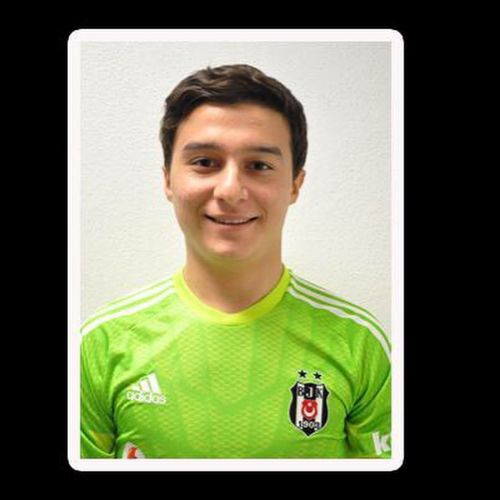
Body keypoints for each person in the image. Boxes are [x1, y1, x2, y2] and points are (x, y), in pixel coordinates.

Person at [80, 64, 391, 459]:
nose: (230, 190)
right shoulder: (100, 345)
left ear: (295, 185)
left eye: (259, 166)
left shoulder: (359, 344)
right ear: (168, 179)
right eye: (205, 162)